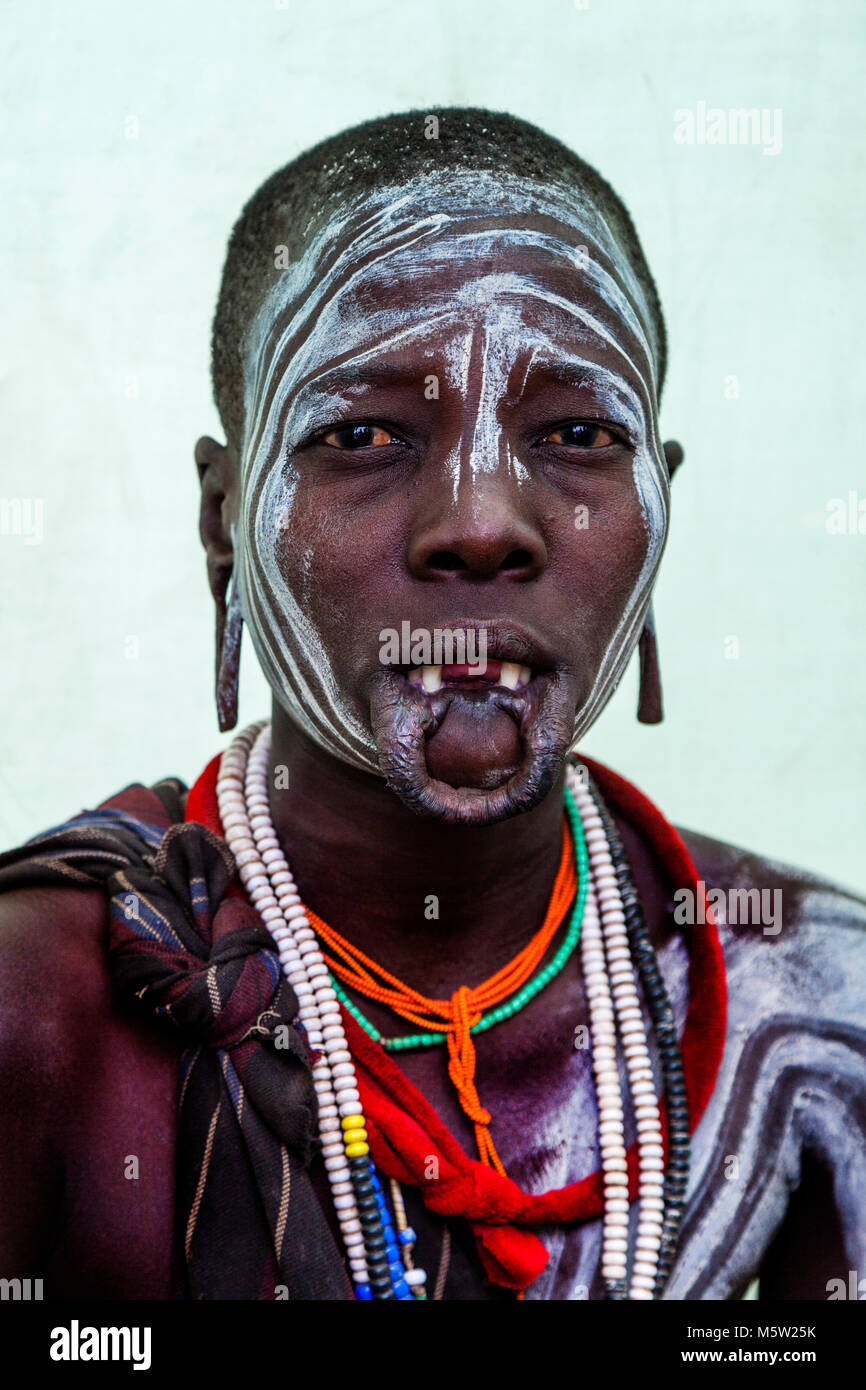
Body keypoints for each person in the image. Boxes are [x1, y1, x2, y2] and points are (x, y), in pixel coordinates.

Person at [1, 108, 864, 1302]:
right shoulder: (40, 1003)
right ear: (222, 523)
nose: (478, 524)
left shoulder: (813, 1013)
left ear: (661, 516)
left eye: (574, 433)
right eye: (362, 433)